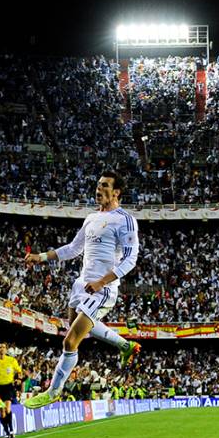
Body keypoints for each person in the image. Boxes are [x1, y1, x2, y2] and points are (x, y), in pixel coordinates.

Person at [24, 170, 142, 409]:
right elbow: (73, 248)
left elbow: (130, 259)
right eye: (98, 185)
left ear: (116, 192)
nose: (99, 189)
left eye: (105, 186)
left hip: (102, 289)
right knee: (75, 334)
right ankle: (125, 345)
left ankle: (53, 391)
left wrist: (102, 282)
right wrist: (42, 257)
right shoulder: (90, 218)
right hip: (81, 285)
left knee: (70, 341)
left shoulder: (125, 219)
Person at [0, 343, 22, 438]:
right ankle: (6, 432)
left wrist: (19, 379)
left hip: (8, 387)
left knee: (7, 409)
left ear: (6, 350)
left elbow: (19, 371)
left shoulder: (11, 360)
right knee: (2, 413)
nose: (1, 349)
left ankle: (11, 430)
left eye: (3, 347)